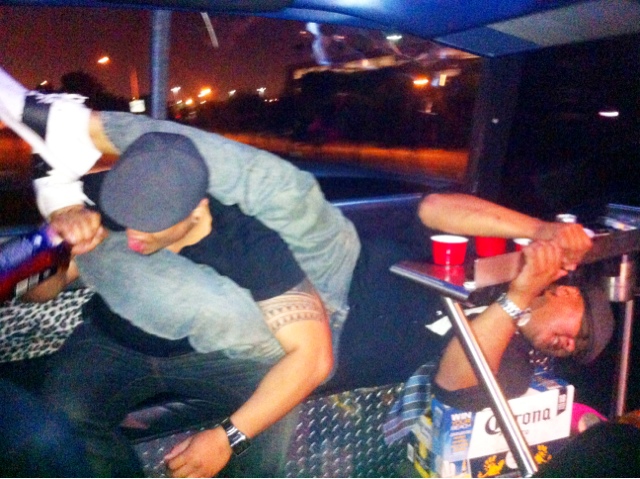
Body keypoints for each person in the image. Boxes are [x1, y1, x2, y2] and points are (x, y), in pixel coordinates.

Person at [0, 66, 613, 476]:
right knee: (284, 187)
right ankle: (67, 127)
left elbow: (455, 379)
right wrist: (537, 230)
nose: (569, 345)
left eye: (575, 351)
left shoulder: (511, 361)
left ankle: (55, 172)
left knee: (215, 309)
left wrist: (516, 299)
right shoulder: (493, 256)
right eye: (581, 328)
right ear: (569, 286)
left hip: (321, 331)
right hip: (336, 258)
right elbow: (432, 207)